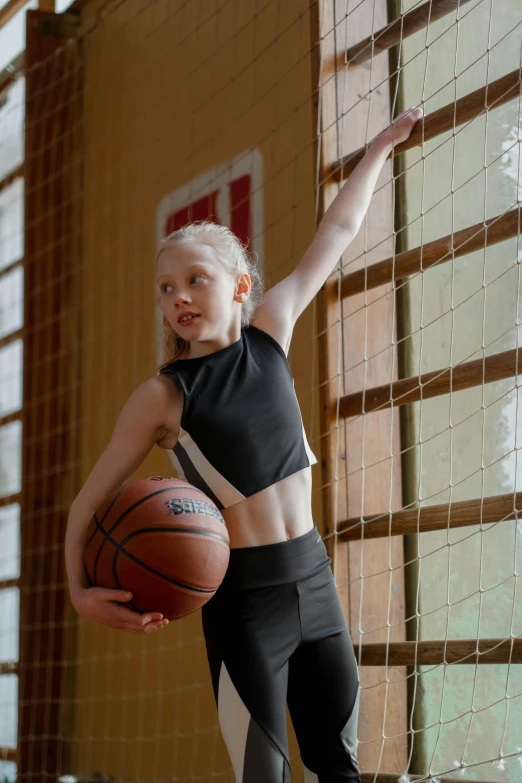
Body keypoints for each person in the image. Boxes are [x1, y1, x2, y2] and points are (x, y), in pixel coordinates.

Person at [65, 107, 422, 783]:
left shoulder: (272, 329)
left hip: (317, 584)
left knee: (338, 768)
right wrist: (81, 591)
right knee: (265, 776)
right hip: (242, 607)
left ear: (239, 285)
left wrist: (380, 145)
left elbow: (338, 230)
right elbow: (88, 500)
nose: (178, 298)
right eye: (166, 289)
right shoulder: (164, 397)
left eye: (195, 280)